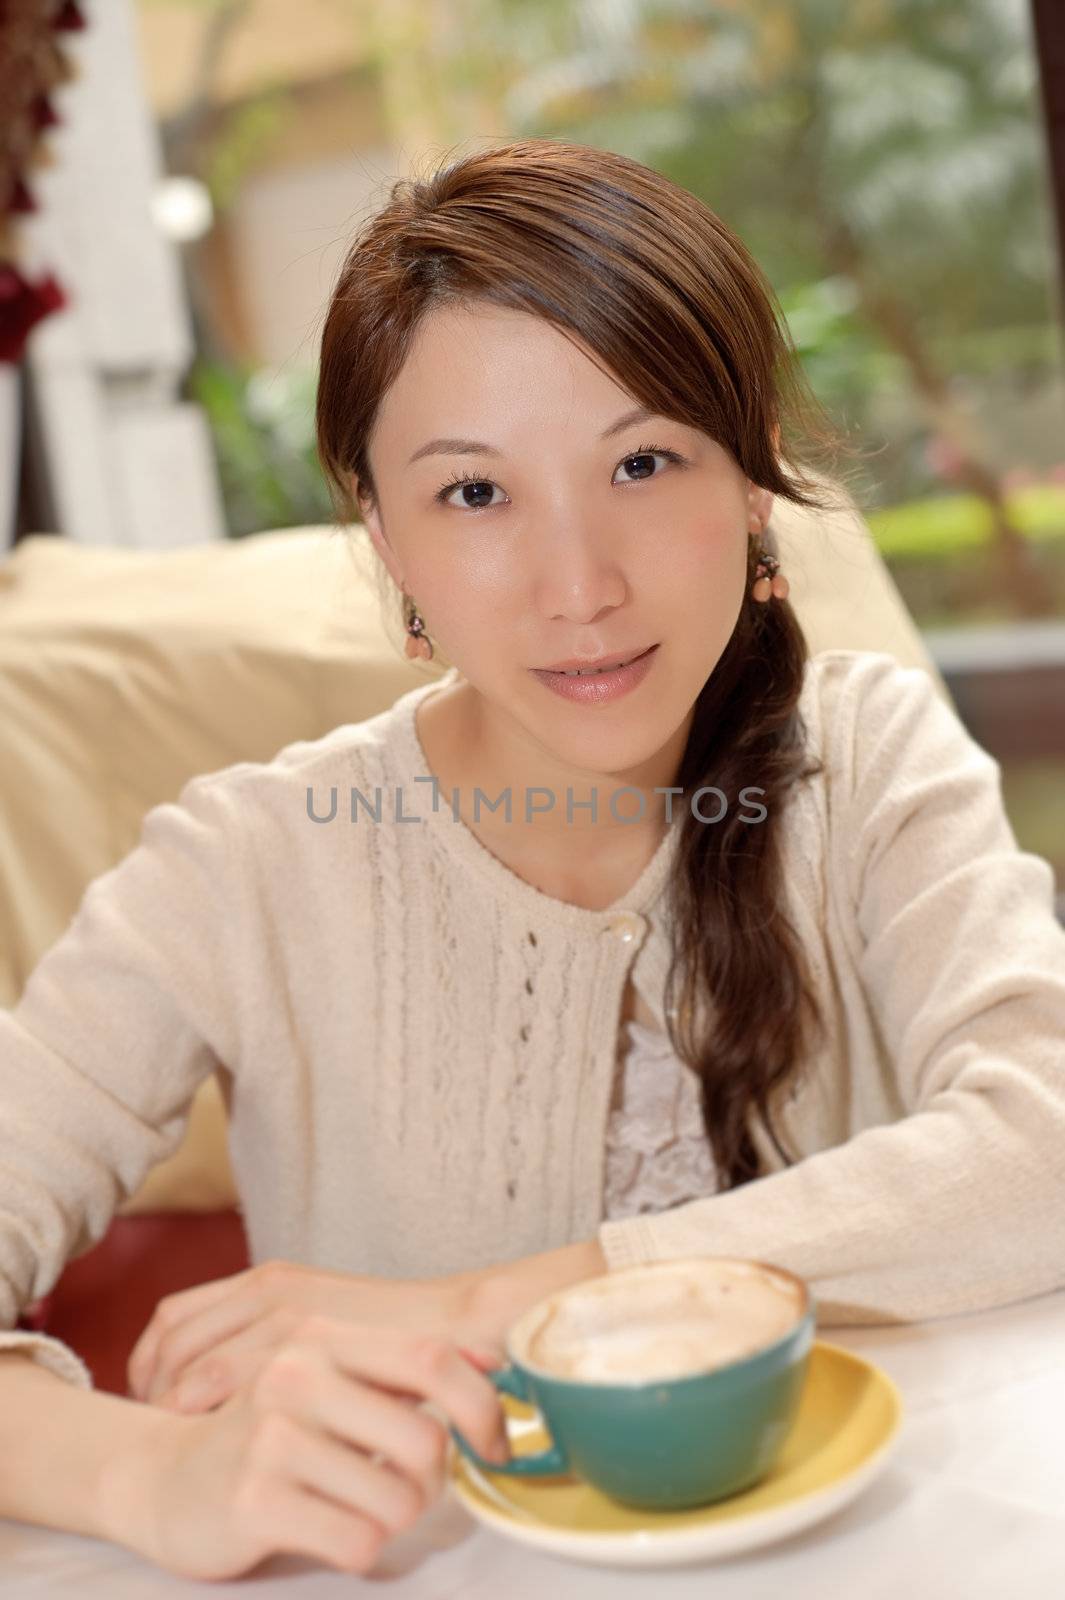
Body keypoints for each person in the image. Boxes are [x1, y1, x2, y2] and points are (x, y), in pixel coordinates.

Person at [2, 136, 1065, 1581]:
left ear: (753, 481)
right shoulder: (242, 867)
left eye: (641, 461)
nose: (582, 588)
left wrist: (483, 1306)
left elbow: (1045, 1142)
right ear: (381, 535)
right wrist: (152, 1478)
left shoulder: (868, 758)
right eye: (474, 494)